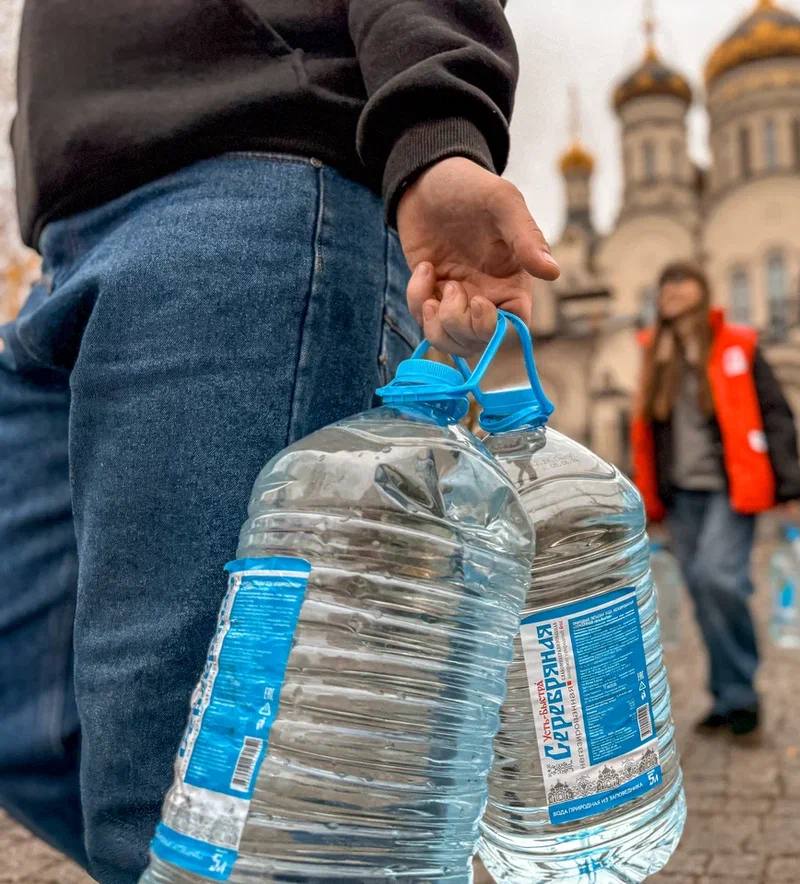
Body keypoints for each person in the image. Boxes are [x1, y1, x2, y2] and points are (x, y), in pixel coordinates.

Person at [0, 3, 556, 881]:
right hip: (71, 229)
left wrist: (436, 129)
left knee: (201, 807)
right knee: (40, 735)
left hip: (252, 191)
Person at [632, 262, 800, 737]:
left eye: (681, 282)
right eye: (664, 285)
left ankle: (743, 693)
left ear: (703, 291)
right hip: (681, 495)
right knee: (704, 592)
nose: (671, 291)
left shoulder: (738, 345)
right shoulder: (655, 354)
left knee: (719, 579)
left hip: (732, 487)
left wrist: (789, 485)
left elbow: (775, 412)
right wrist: (648, 499)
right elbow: (646, 434)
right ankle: (728, 697)